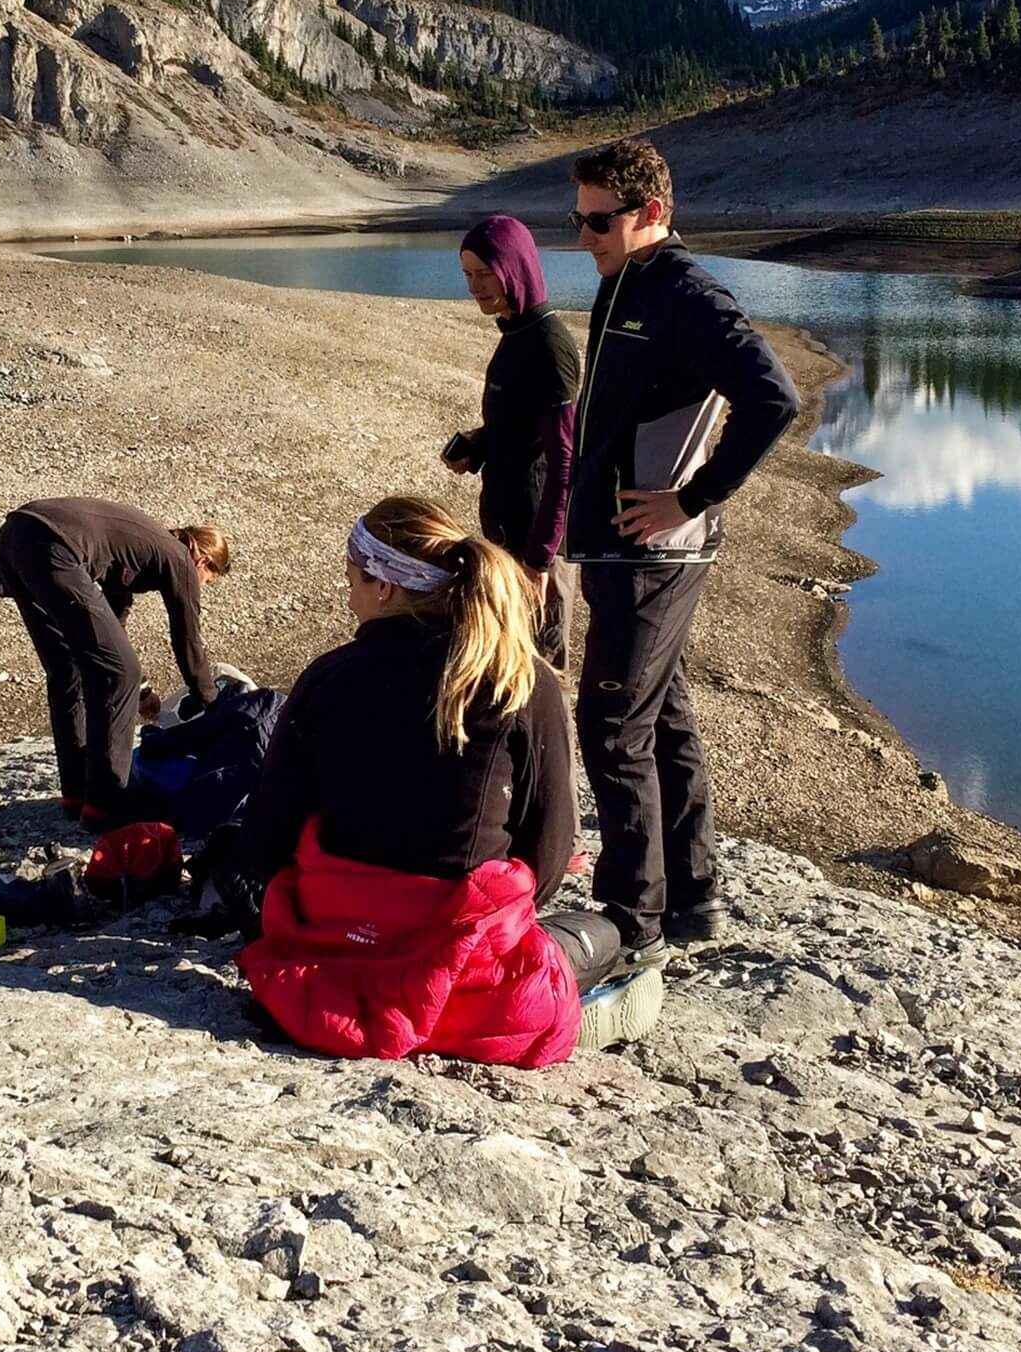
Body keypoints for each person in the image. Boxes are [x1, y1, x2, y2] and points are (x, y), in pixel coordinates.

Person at [235, 496, 662, 1065]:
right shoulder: (519, 680)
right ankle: (576, 1004)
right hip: (457, 947)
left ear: (384, 587)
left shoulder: (328, 676)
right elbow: (548, 855)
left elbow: (267, 840)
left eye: (352, 581)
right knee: (607, 934)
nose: (350, 597)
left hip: (333, 938)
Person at [567, 137, 800, 965]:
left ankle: (633, 917)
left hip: (655, 554)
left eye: (600, 220)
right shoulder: (623, 283)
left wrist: (690, 499)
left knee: (611, 720)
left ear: (652, 214)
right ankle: (689, 896)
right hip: (624, 548)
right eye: (579, 217)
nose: (585, 235)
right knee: (660, 712)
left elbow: (774, 399)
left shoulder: (687, 294)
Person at [0, 498, 233, 826]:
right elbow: (187, 640)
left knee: (68, 669)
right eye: (208, 581)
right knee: (119, 674)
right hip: (53, 545)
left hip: (15, 538)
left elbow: (107, 639)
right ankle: (107, 802)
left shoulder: (138, 553)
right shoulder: (179, 560)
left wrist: (143, 695)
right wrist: (213, 702)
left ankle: (77, 794)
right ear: (203, 561)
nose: (201, 586)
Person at [442, 214, 580, 667]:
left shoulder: (548, 345)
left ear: (515, 267)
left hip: (536, 545)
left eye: (484, 273)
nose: (474, 286)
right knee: (508, 661)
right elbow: (521, 427)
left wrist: (539, 561)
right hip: (506, 534)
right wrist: (476, 445)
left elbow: (564, 460)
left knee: (540, 669)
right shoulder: (515, 332)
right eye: (467, 274)